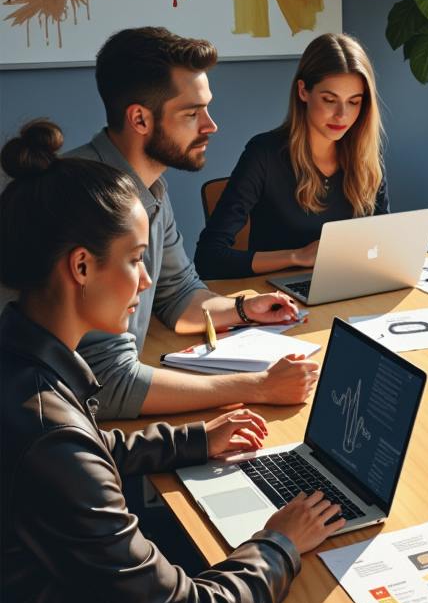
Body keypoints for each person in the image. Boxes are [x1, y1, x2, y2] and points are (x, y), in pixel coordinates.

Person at [0, 120, 349, 603]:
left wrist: (192, 440)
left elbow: (83, 460)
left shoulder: (24, 368)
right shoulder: (49, 435)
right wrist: (279, 543)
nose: (144, 280)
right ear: (79, 267)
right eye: (133, 259)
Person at [67, 26, 319, 420]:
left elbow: (177, 295)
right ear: (139, 119)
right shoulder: (92, 204)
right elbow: (106, 384)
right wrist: (258, 386)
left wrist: (244, 309)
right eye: (192, 112)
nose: (210, 125)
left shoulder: (150, 188)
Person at [195, 32, 388, 280]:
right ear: (303, 91)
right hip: (277, 300)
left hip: (350, 291)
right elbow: (208, 257)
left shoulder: (366, 157)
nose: (342, 115)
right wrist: (297, 256)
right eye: (329, 100)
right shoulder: (264, 154)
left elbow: (382, 248)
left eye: (354, 102)